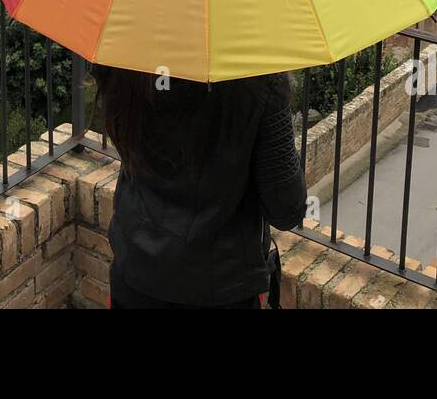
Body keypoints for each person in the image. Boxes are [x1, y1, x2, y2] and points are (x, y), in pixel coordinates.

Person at [91, 65, 307, 309]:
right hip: (222, 285)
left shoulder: (127, 53)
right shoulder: (259, 75)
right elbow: (287, 210)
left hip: (136, 272)